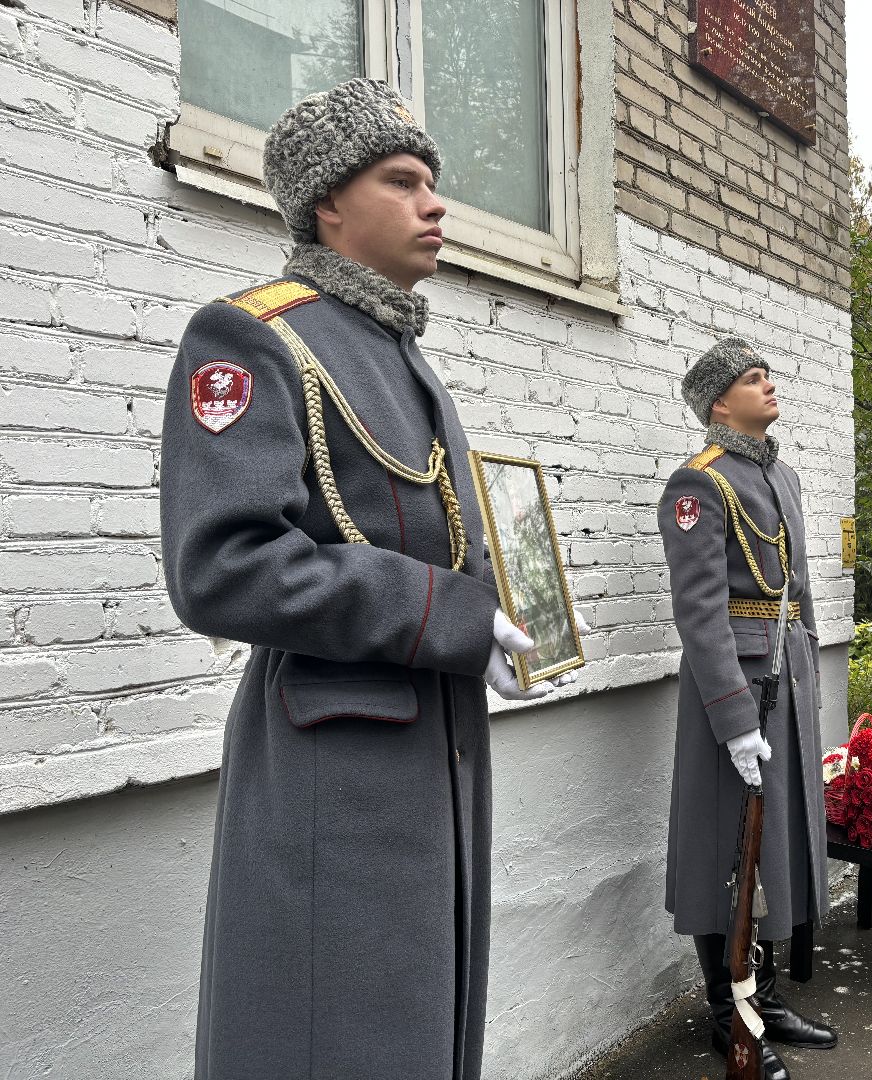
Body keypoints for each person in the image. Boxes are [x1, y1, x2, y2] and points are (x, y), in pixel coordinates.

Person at [160, 79, 571, 1080]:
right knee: (331, 1037)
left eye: (435, 182)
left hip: (434, 750)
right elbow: (221, 567)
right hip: (333, 772)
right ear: (327, 203)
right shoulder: (257, 334)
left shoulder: (398, 348)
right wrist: (448, 616)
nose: (437, 204)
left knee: (416, 1032)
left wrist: (510, 623)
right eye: (404, 180)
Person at [657, 339, 837, 1079]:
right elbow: (699, 615)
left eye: (767, 375)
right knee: (725, 853)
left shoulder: (781, 474)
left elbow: (796, 583)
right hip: (732, 691)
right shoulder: (696, 485)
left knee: (773, 844)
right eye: (751, 379)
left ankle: (762, 996)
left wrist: (811, 657)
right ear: (718, 402)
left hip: (785, 677)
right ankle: (726, 1015)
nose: (768, 386)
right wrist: (733, 721)